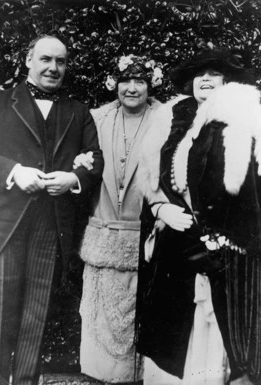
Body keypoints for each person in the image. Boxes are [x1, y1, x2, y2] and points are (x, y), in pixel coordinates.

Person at [135, 48, 261, 385]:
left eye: (214, 73)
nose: (205, 78)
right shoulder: (172, 119)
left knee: (220, 336)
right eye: (199, 73)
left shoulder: (244, 121)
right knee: (173, 337)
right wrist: (161, 208)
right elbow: (153, 183)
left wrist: (226, 236)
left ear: (227, 80)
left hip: (223, 256)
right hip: (176, 248)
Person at [0, 35, 104, 385]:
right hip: (1, 226)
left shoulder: (78, 111)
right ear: (28, 61)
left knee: (36, 315)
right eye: (46, 59)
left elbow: (95, 159)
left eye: (61, 62)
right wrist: (14, 172)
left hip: (51, 224)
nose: (53, 68)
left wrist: (73, 177)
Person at [73, 54, 163, 383]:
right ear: (115, 84)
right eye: (125, 80)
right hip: (103, 232)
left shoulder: (166, 118)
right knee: (101, 318)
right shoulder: (95, 119)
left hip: (145, 238)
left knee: (138, 319)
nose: (132, 87)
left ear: (150, 83)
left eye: (140, 80)